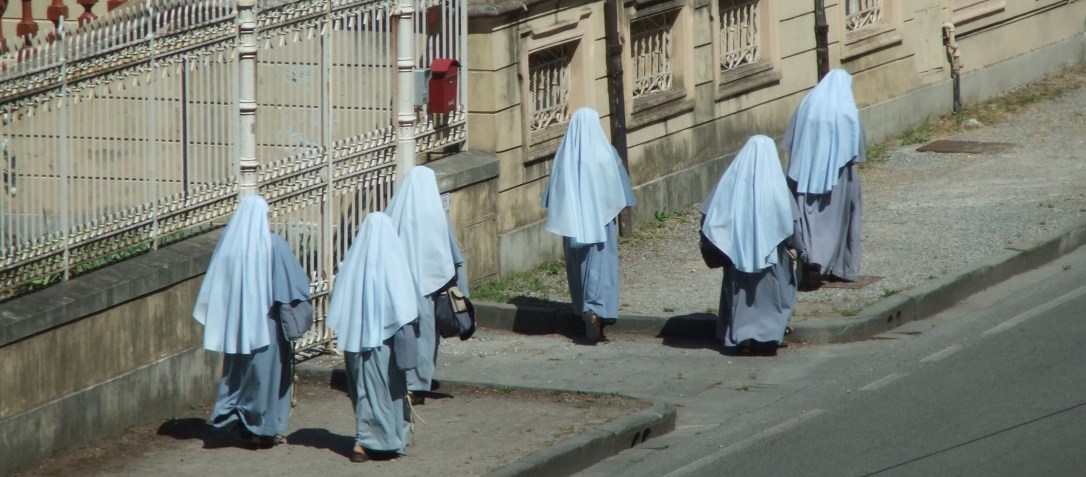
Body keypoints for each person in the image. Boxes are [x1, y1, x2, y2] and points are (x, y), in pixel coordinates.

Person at [193, 194, 312, 448]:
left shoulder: (229, 248)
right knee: (265, 376)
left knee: (239, 374)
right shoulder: (273, 245)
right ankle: (261, 429)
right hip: (266, 325)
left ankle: (238, 418)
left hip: (236, 326)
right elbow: (290, 287)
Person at [327, 212, 419, 462]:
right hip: (386, 341)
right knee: (389, 389)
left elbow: (338, 301)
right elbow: (406, 306)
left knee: (363, 389)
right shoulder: (396, 264)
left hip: (357, 339)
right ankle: (378, 441)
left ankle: (370, 439)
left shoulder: (353, 264)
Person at [541, 107, 636, 343]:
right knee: (601, 268)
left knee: (579, 268)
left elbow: (551, 196)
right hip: (601, 224)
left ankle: (585, 310)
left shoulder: (564, 155)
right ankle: (598, 312)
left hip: (572, 225)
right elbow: (623, 193)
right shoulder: (607, 153)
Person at [700, 135, 800, 356]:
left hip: (737, 258)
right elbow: (791, 224)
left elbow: (709, 214)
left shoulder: (729, 181)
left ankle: (743, 337)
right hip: (772, 261)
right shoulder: (777, 186)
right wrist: (799, 247)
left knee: (739, 297)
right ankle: (769, 335)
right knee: (773, 295)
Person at [383, 165, 468, 402]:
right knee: (428, 336)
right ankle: (420, 383)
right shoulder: (436, 212)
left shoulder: (396, 210)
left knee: (404, 333)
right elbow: (453, 252)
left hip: (402, 285)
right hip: (430, 285)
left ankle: (405, 381)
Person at [780, 68, 866, 289]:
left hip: (805, 175)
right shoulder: (847, 111)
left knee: (809, 221)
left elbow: (791, 140)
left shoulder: (807, 105)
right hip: (838, 179)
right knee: (838, 222)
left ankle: (810, 259)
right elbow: (855, 150)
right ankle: (836, 267)